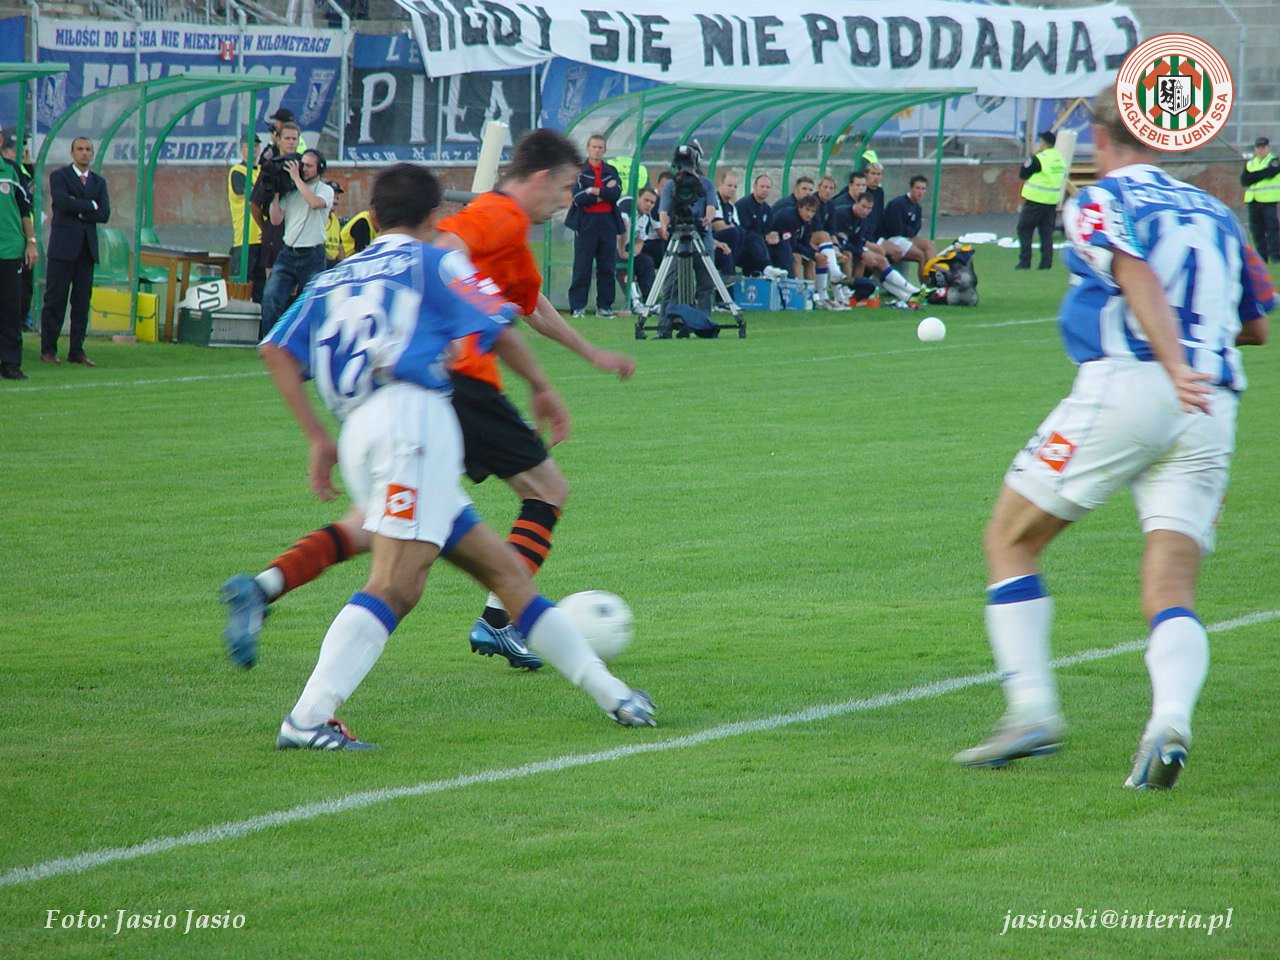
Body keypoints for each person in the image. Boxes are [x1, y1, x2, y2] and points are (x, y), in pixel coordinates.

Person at [260, 163, 655, 749]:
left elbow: (275, 346)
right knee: (396, 585)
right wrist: (542, 387)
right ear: (433, 216)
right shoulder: (436, 261)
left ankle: (614, 695)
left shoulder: (330, 279)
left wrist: (319, 438)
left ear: (376, 214)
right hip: (410, 423)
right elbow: (498, 321)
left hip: (362, 430)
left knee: (505, 575)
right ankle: (307, 719)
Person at [954, 89, 1274, 790]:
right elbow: (1256, 325)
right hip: (1213, 405)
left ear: (1099, 141)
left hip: (1134, 384)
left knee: (1009, 537)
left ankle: (1032, 713)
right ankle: (1170, 723)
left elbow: (1133, 273)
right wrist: (1194, 359)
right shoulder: (1217, 212)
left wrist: (1172, 361)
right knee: (1171, 584)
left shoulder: (1100, 198)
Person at [40, 137, 109, 367]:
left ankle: (76, 351)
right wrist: (90, 205)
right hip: (62, 248)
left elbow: (104, 213)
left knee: (81, 302)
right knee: (55, 299)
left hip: (86, 250)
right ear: (72, 153)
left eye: (88, 149)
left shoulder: (98, 182)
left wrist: (78, 207)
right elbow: (62, 203)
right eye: (80, 149)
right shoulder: (59, 176)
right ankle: (48, 349)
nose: (84, 153)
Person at [259, 148, 334, 337]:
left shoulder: (325, 190)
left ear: (320, 168)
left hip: (312, 255)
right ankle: (273, 341)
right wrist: (276, 194)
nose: (304, 169)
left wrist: (296, 179)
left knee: (312, 303)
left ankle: (309, 343)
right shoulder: (291, 191)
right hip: (288, 254)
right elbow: (276, 220)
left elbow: (315, 203)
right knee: (271, 297)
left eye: (309, 166)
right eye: (303, 165)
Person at [565, 133, 623, 318]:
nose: (597, 151)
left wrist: (593, 190)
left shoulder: (611, 171)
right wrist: (602, 194)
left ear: (605, 150)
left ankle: (604, 307)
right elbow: (578, 198)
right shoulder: (579, 171)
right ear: (588, 148)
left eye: (600, 147)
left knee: (607, 266)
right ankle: (578, 306)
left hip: (607, 222)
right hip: (586, 222)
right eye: (594, 147)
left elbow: (615, 193)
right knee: (582, 265)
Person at [1, 130, 37, 380]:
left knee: (10, 309)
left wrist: (31, 242)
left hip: (9, 250)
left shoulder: (11, 170)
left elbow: (25, 209)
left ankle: (10, 363)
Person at [1016, 130, 1066, 271]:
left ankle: (1025, 262)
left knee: (1024, 230)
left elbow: (1023, 174)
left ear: (1043, 143)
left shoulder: (1039, 158)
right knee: (1046, 233)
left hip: (1035, 200)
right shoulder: (1059, 159)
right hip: (1051, 202)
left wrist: (1032, 155)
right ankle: (1046, 263)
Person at [228, 137, 265, 303]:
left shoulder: (262, 171)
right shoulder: (238, 171)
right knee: (241, 289)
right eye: (249, 146)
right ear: (241, 150)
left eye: (256, 146)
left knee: (261, 288)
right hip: (245, 239)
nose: (254, 150)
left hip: (263, 238)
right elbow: (254, 194)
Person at [879, 175, 937, 282]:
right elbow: (895, 229)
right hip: (892, 239)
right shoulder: (898, 203)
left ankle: (933, 277)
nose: (920, 192)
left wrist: (909, 231)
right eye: (917, 188)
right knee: (921, 256)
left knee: (930, 244)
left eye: (923, 189)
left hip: (907, 237)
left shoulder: (917, 207)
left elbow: (916, 228)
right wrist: (909, 231)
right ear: (910, 188)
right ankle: (926, 284)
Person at [734, 173, 789, 277]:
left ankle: (787, 275)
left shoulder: (767, 209)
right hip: (745, 245)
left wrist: (772, 235)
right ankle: (766, 268)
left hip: (760, 243)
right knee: (755, 238)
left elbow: (768, 229)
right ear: (755, 187)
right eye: (762, 186)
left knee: (783, 244)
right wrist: (763, 237)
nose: (765, 190)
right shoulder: (744, 205)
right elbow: (744, 230)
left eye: (767, 187)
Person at [617, 185, 659, 308]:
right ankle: (634, 302)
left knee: (646, 262)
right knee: (622, 262)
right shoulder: (627, 204)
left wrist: (633, 254)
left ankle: (650, 302)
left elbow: (640, 241)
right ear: (638, 198)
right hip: (609, 244)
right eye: (646, 200)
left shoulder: (646, 218)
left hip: (626, 247)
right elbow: (622, 231)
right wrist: (622, 252)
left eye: (652, 203)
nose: (649, 205)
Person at [1241, 135, 1280, 263]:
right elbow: (1244, 180)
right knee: (1257, 231)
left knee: (1272, 229)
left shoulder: (1274, 161)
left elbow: (1270, 173)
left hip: (1269, 201)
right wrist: (1260, 175)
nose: (1261, 150)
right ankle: (1261, 256)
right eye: (1258, 147)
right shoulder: (1251, 163)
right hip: (1253, 201)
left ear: (1268, 147)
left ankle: (1275, 255)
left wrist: (1253, 176)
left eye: (1263, 147)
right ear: (1255, 149)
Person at [710, 168, 744, 279]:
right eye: (729, 185)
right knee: (734, 232)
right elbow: (717, 225)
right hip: (711, 238)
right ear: (721, 184)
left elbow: (737, 227)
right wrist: (730, 227)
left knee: (741, 233)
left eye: (735, 187)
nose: (732, 189)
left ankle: (731, 267)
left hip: (727, 239)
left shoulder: (732, 207)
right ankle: (729, 271)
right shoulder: (714, 200)